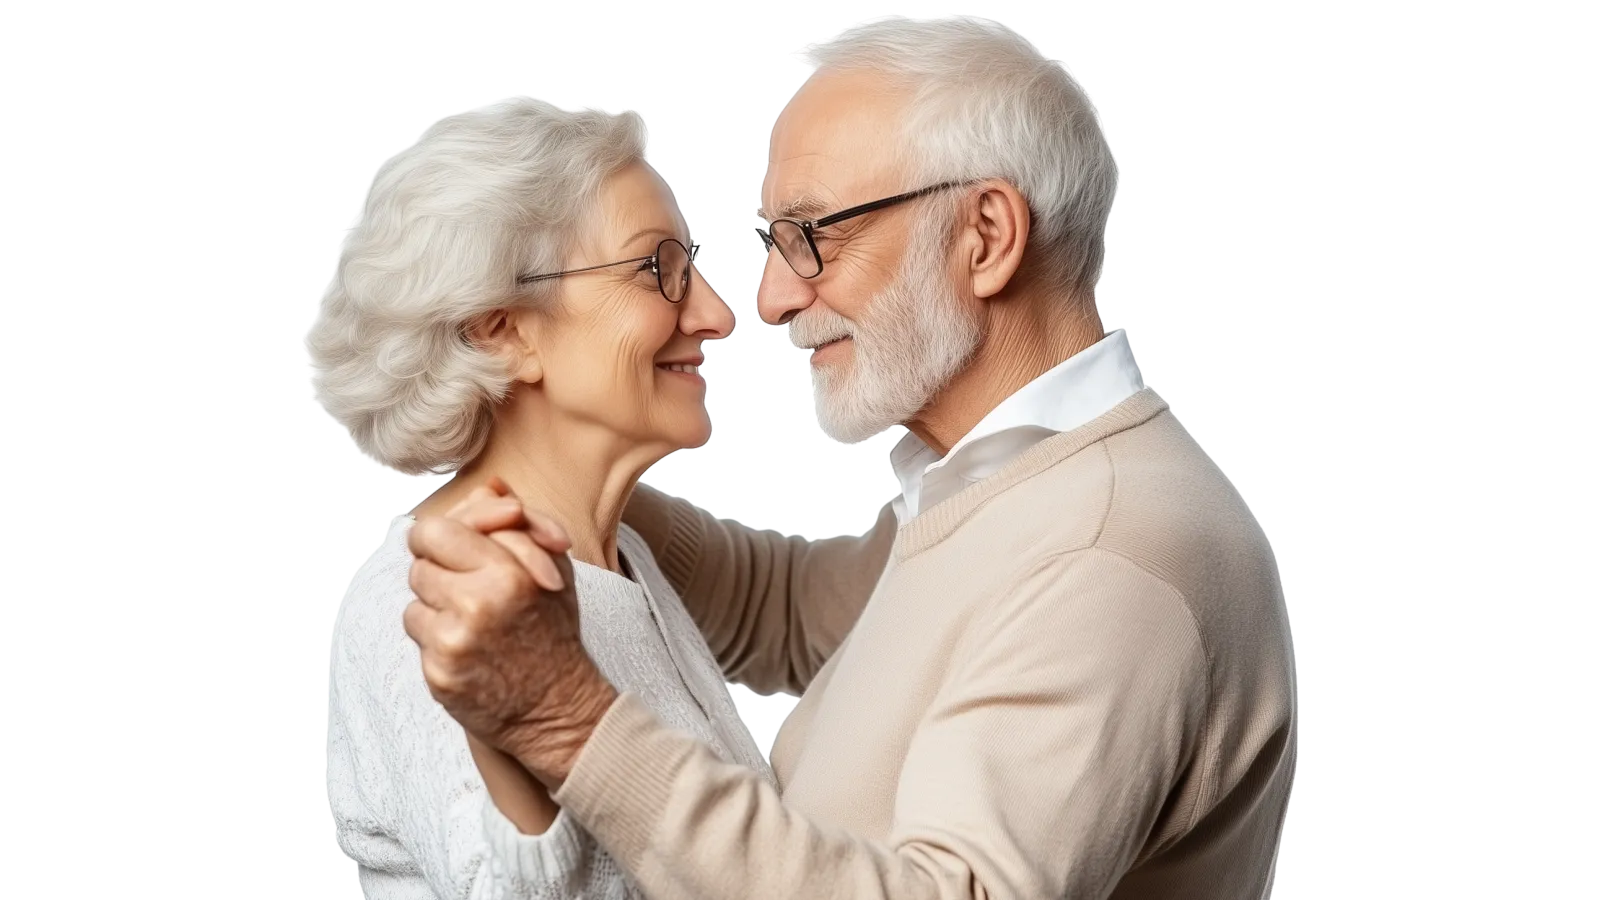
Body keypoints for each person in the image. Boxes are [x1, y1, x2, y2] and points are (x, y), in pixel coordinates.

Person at [403, 16, 1295, 900]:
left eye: (813, 236)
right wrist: (565, 470)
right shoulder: (997, 483)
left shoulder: (1108, 554)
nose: (772, 298)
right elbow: (800, 617)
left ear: (984, 235)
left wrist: (569, 723)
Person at [313, 98, 785, 898]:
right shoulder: (427, 596)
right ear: (504, 330)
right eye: (657, 269)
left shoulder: (624, 560)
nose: (713, 315)